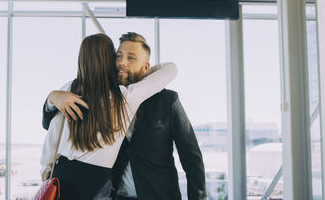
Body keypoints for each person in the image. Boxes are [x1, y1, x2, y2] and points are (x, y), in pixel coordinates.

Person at [43, 32, 207, 200]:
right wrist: (52, 97)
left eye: (131, 58)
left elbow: (191, 157)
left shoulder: (167, 101)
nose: (122, 62)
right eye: (118, 56)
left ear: (145, 67)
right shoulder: (100, 96)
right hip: (111, 195)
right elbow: (51, 124)